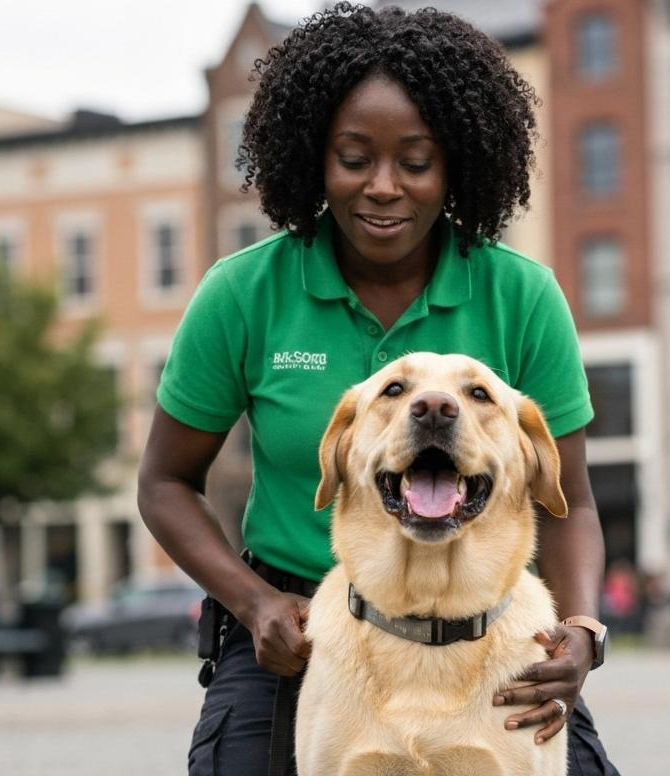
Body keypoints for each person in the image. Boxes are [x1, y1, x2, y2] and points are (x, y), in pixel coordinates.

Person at [137, 4, 620, 775]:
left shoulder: (524, 296)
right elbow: (164, 482)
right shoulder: (241, 292)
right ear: (313, 158)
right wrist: (252, 602)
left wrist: (584, 628)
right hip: (298, 623)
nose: (384, 187)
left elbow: (574, 504)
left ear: (457, 162)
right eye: (354, 158)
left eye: (416, 161)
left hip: (487, 625)